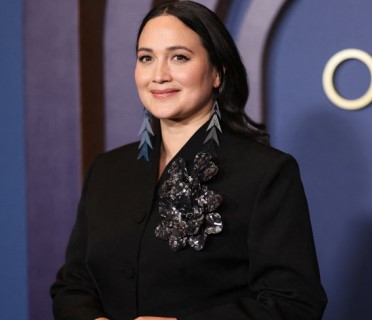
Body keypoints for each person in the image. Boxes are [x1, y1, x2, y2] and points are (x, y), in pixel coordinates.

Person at [50, 1, 327, 319]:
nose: (159, 74)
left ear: (217, 73)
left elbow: (294, 303)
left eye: (179, 57)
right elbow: (72, 286)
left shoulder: (266, 173)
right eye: (146, 58)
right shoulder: (107, 170)